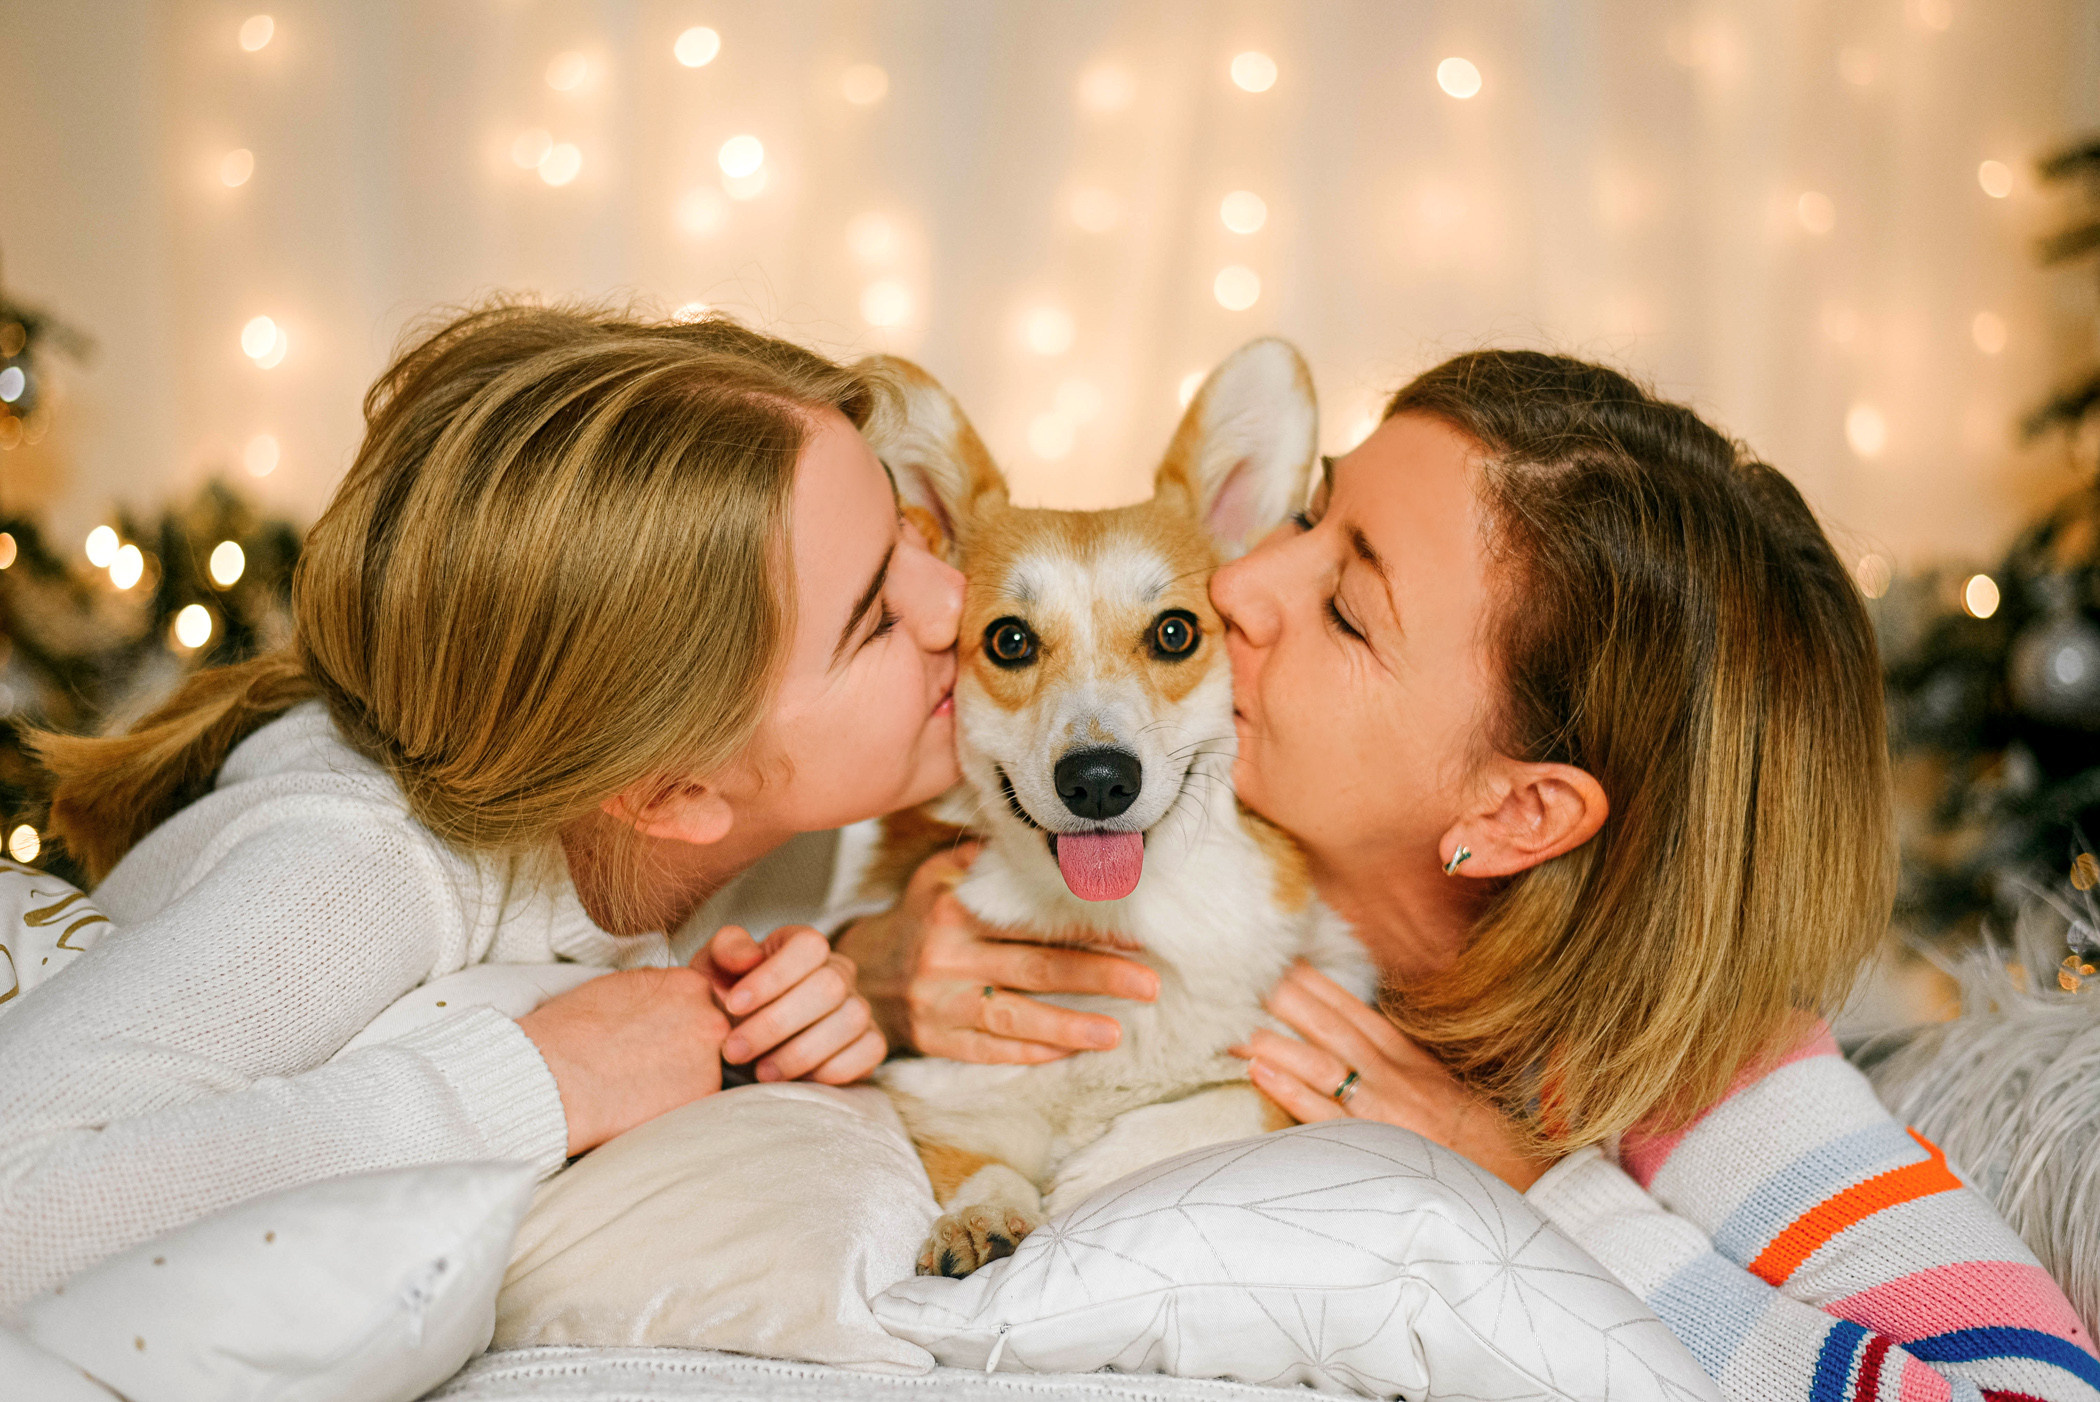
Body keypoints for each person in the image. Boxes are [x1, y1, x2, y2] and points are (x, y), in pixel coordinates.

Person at [854, 351, 2100, 1401]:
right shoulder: (1081, 861)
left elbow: (2029, 1389)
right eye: (1308, 518)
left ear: (1513, 809)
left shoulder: (1697, 1073)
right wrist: (870, 972)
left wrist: (1532, 1193)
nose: (1238, 584)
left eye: (1346, 604)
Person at [0, 302, 965, 1305]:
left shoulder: (769, 799)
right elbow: (15, 1203)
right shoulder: (350, 876)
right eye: (878, 619)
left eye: (912, 529)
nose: (956, 597)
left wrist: (823, 989)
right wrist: (548, 1081)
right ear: (670, 794)